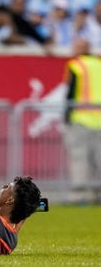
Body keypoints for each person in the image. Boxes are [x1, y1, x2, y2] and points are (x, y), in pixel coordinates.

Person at [63, 38, 101, 203]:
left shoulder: (76, 65)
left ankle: (79, 196)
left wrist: (66, 114)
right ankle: (96, 194)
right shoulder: (98, 64)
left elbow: (71, 91)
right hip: (99, 117)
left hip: (81, 117)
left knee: (79, 158)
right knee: (98, 160)